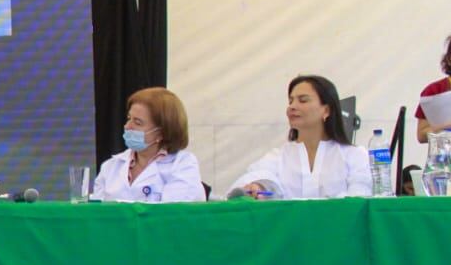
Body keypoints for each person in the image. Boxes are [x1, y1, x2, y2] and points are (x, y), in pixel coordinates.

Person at [229, 76, 372, 200]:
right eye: (291, 101)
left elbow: (360, 198)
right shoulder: (278, 157)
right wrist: (257, 186)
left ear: (326, 110)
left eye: (303, 100)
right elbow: (258, 179)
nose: (292, 106)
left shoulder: (354, 156)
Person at [92, 87, 205, 202]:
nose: (127, 126)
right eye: (129, 118)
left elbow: (173, 214)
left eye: (137, 122)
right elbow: (96, 214)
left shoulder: (182, 165)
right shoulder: (110, 166)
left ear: (161, 133)